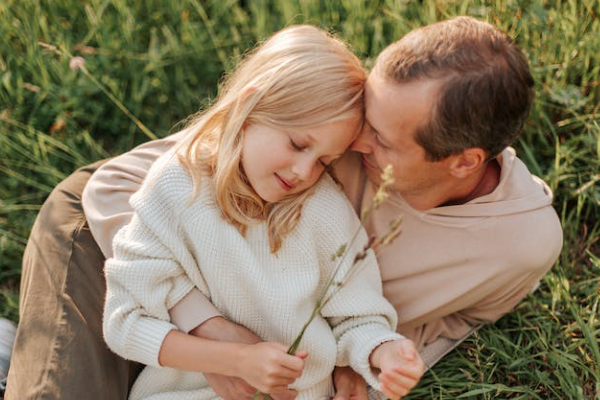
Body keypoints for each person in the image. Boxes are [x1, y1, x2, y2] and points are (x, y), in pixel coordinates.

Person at [5, 16, 563, 400]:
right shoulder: (324, 131)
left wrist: (367, 361)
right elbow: (118, 188)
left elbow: (456, 316)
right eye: (366, 115)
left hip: (250, 344)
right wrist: (213, 335)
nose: (357, 142)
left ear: (463, 162)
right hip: (109, 233)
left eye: (383, 138)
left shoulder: (520, 243)